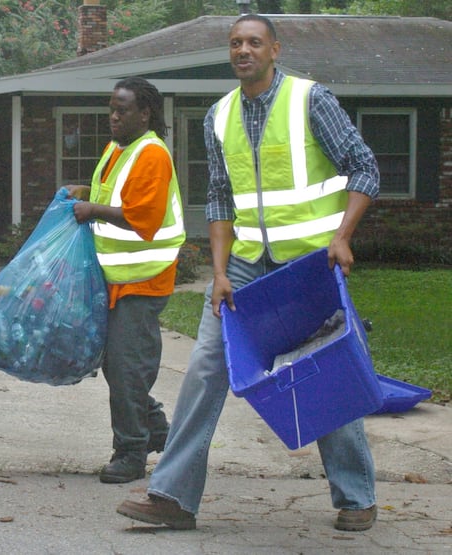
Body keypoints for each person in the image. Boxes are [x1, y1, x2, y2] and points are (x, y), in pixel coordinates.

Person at [117, 14, 380, 531]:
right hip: (244, 266)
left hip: (308, 267)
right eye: (235, 43)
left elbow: (364, 165)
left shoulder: (310, 100)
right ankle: (173, 497)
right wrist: (218, 271)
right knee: (206, 369)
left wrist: (343, 235)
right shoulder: (218, 116)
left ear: (274, 50)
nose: (243, 50)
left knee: (325, 369)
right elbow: (218, 198)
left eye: (254, 42)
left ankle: (356, 497)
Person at [67, 77, 186, 484]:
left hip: (143, 277)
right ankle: (155, 429)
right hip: (118, 277)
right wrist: (85, 191)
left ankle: (131, 453)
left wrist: (91, 209)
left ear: (145, 113)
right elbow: (113, 194)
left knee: (126, 365)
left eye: (122, 110)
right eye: (112, 109)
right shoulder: (119, 149)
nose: (114, 117)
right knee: (117, 366)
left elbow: (143, 217)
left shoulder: (152, 153)